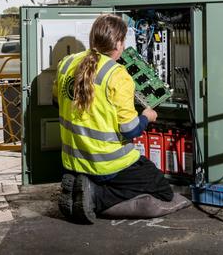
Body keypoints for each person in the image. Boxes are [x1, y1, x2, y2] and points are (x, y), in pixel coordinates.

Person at [53, 14, 184, 224]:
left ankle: (83, 184)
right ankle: (95, 195)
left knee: (128, 179)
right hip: (107, 163)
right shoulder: (118, 75)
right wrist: (146, 116)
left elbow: (56, 102)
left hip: (73, 159)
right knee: (162, 189)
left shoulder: (66, 63)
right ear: (119, 43)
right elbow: (130, 130)